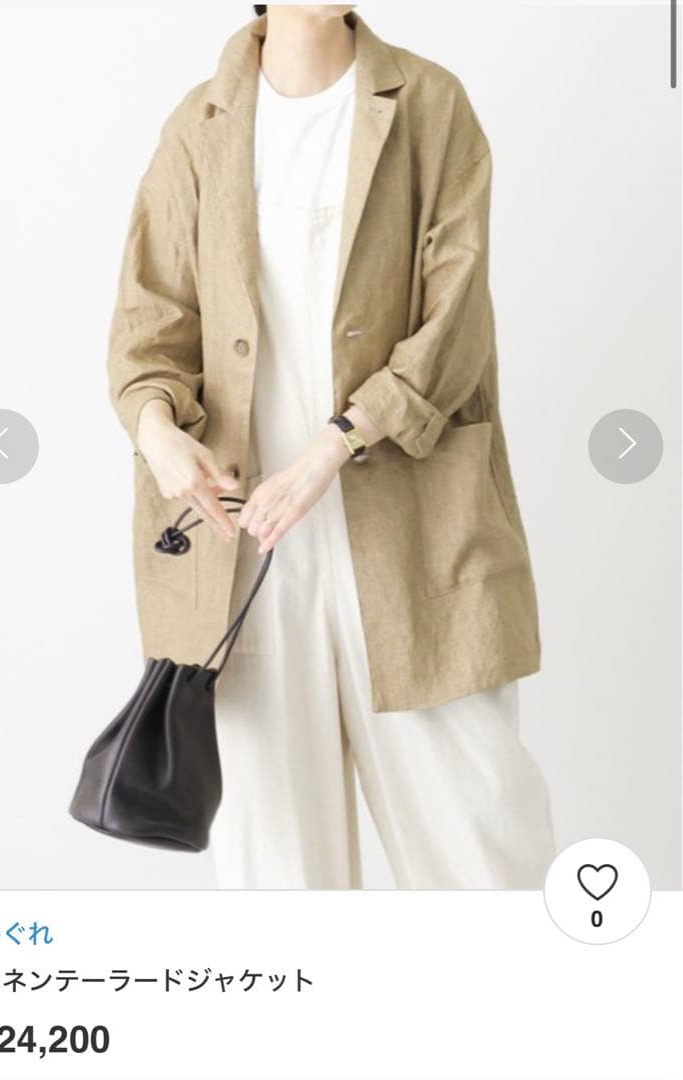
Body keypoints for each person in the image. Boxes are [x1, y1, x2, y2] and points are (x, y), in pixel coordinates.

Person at [107, 4, 556, 889]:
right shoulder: (199, 124)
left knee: (479, 850)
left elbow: (455, 324)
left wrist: (333, 446)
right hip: (239, 554)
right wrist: (156, 431)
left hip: (414, 534)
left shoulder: (429, 103)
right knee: (279, 876)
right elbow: (150, 326)